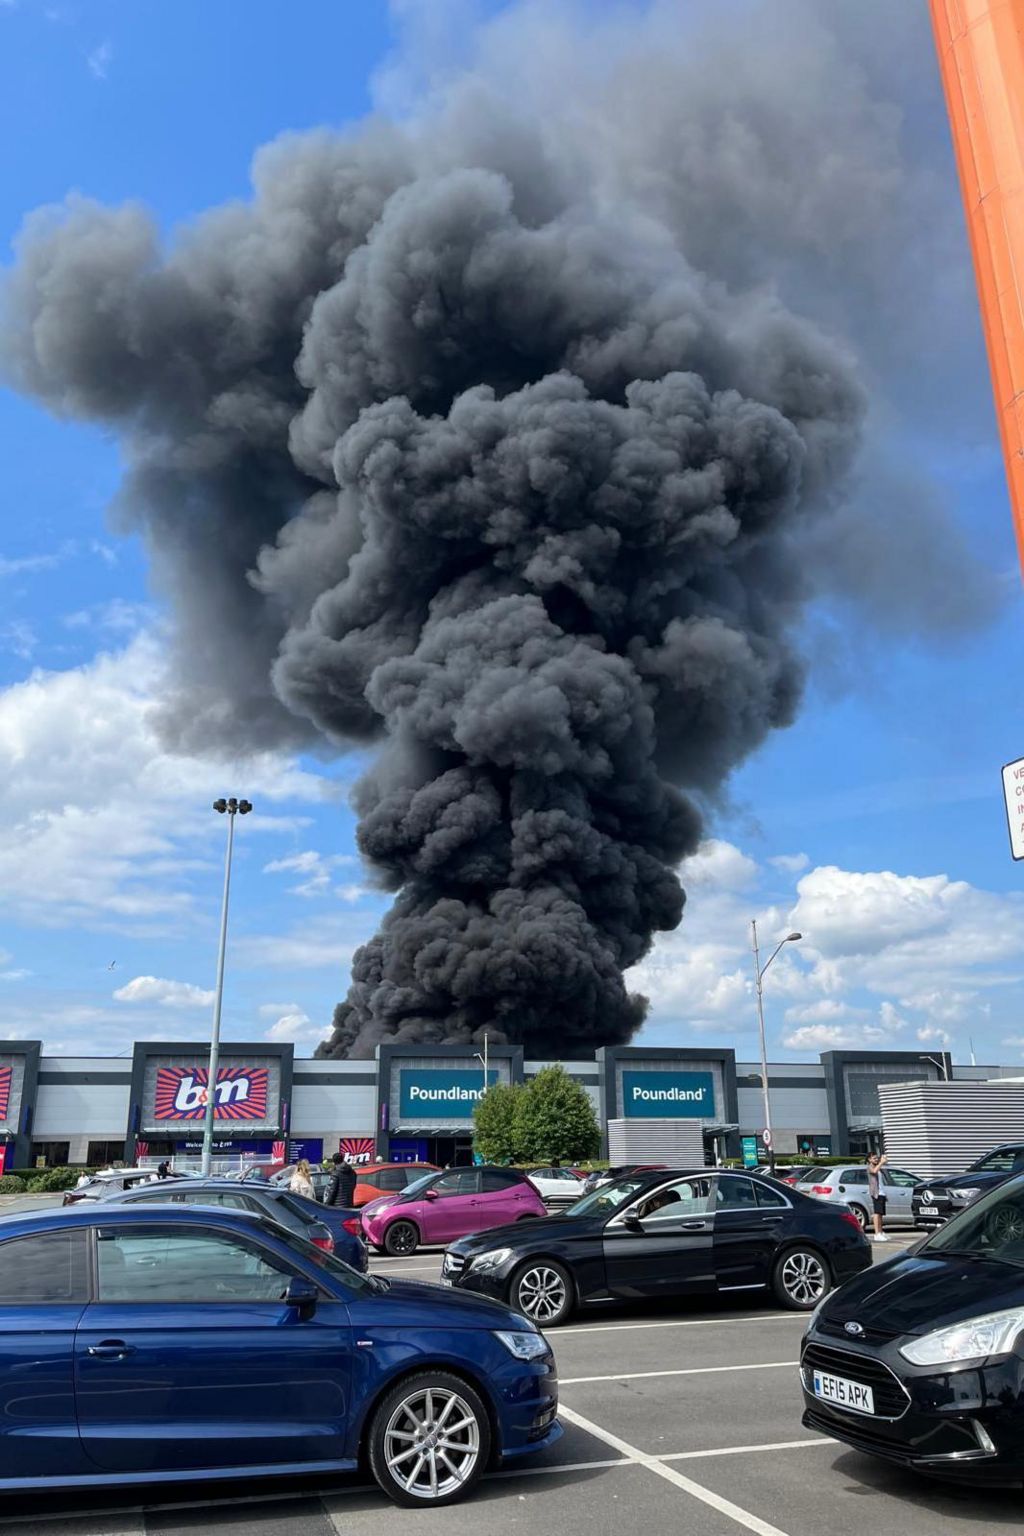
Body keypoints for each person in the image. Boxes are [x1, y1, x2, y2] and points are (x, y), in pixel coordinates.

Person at [867, 1151, 889, 1242]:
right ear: (869, 1159)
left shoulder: (878, 1167)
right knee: (877, 1213)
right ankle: (877, 1233)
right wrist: (881, 1163)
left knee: (881, 1214)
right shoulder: (870, 1167)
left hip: (881, 1193)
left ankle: (880, 1231)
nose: (876, 1159)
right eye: (874, 1158)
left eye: (877, 1158)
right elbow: (874, 1171)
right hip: (876, 1193)